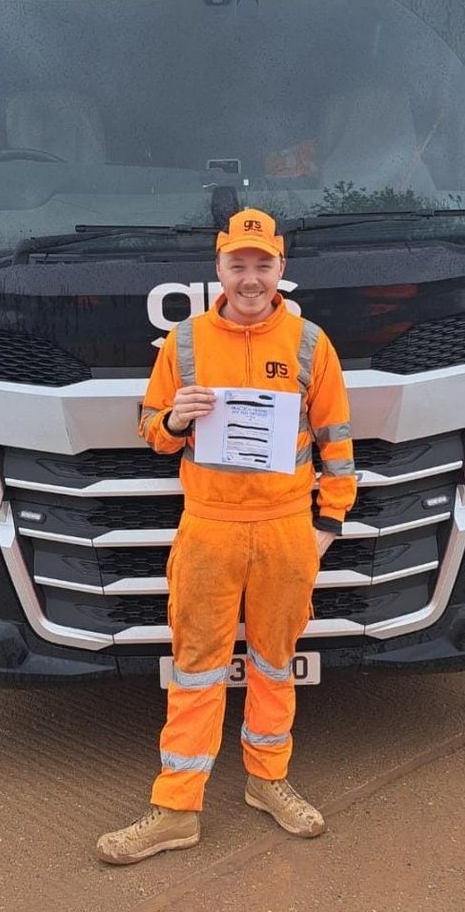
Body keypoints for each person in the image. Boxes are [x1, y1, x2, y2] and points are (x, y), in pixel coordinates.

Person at [96, 208, 357, 865]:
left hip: (285, 528)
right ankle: (177, 809)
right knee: (196, 668)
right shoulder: (183, 343)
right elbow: (149, 428)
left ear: (280, 271)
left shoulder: (308, 344)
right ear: (218, 269)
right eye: (237, 264)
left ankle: (269, 784)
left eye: (261, 264)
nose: (249, 277)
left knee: (274, 662)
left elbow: (337, 440)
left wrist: (328, 523)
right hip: (209, 528)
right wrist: (174, 421)